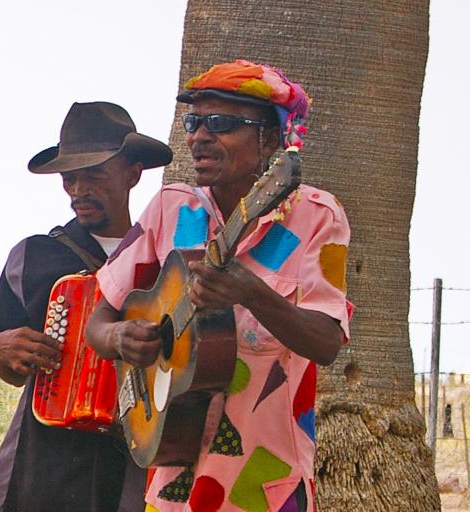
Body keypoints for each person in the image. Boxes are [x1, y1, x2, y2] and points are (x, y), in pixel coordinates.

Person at [84, 60, 350, 511]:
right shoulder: (170, 207)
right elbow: (100, 317)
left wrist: (250, 292)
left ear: (270, 139)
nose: (199, 136)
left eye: (221, 123)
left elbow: (326, 342)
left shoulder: (317, 216)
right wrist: (119, 337)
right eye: (194, 122)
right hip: (171, 482)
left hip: (266, 484)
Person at [0, 102, 168, 512]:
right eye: (69, 179)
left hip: (137, 464)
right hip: (43, 464)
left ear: (133, 173)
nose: (79, 190)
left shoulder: (165, 260)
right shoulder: (32, 256)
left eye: (94, 174)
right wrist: (1, 350)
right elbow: (7, 368)